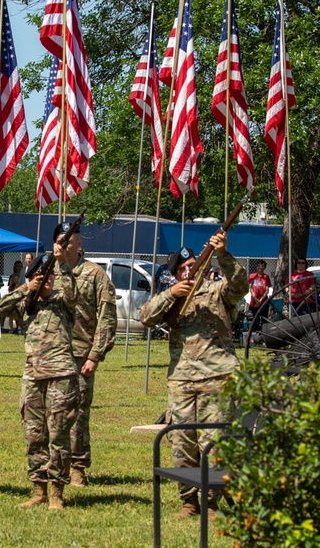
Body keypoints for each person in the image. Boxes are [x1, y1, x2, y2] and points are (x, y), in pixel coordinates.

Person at [138, 232, 248, 519]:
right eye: (182, 270)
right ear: (175, 275)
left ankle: (211, 502)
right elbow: (146, 316)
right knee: (182, 442)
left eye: (192, 267)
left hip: (218, 377)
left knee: (214, 441)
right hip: (182, 380)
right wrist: (170, 294)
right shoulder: (171, 297)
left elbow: (239, 286)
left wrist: (223, 254)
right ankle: (188, 500)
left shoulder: (216, 291)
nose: (188, 272)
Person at [0, 244, 79, 510]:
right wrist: (26, 288)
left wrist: (61, 263)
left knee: (58, 435)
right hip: (32, 376)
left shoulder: (62, 302)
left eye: (50, 276)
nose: (48, 280)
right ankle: (38, 489)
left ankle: (57, 492)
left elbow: (73, 293)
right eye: (43, 276)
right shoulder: (26, 304)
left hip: (60, 375)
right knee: (34, 435)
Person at [52, 222, 117, 487]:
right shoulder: (48, 271)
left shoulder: (95, 274)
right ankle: (55, 465)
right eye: (61, 239)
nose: (65, 244)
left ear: (80, 245)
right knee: (53, 412)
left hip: (80, 353)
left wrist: (95, 355)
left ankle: (78, 467)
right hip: (51, 353)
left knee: (78, 412)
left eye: (71, 240)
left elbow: (107, 317)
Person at [8, 260, 24, 334]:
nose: (19, 268)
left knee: (20, 315)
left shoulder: (24, 275)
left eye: (21, 266)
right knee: (11, 315)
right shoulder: (12, 277)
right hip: (13, 299)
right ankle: (12, 328)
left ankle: (20, 327)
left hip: (20, 299)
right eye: (18, 266)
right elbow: (10, 289)